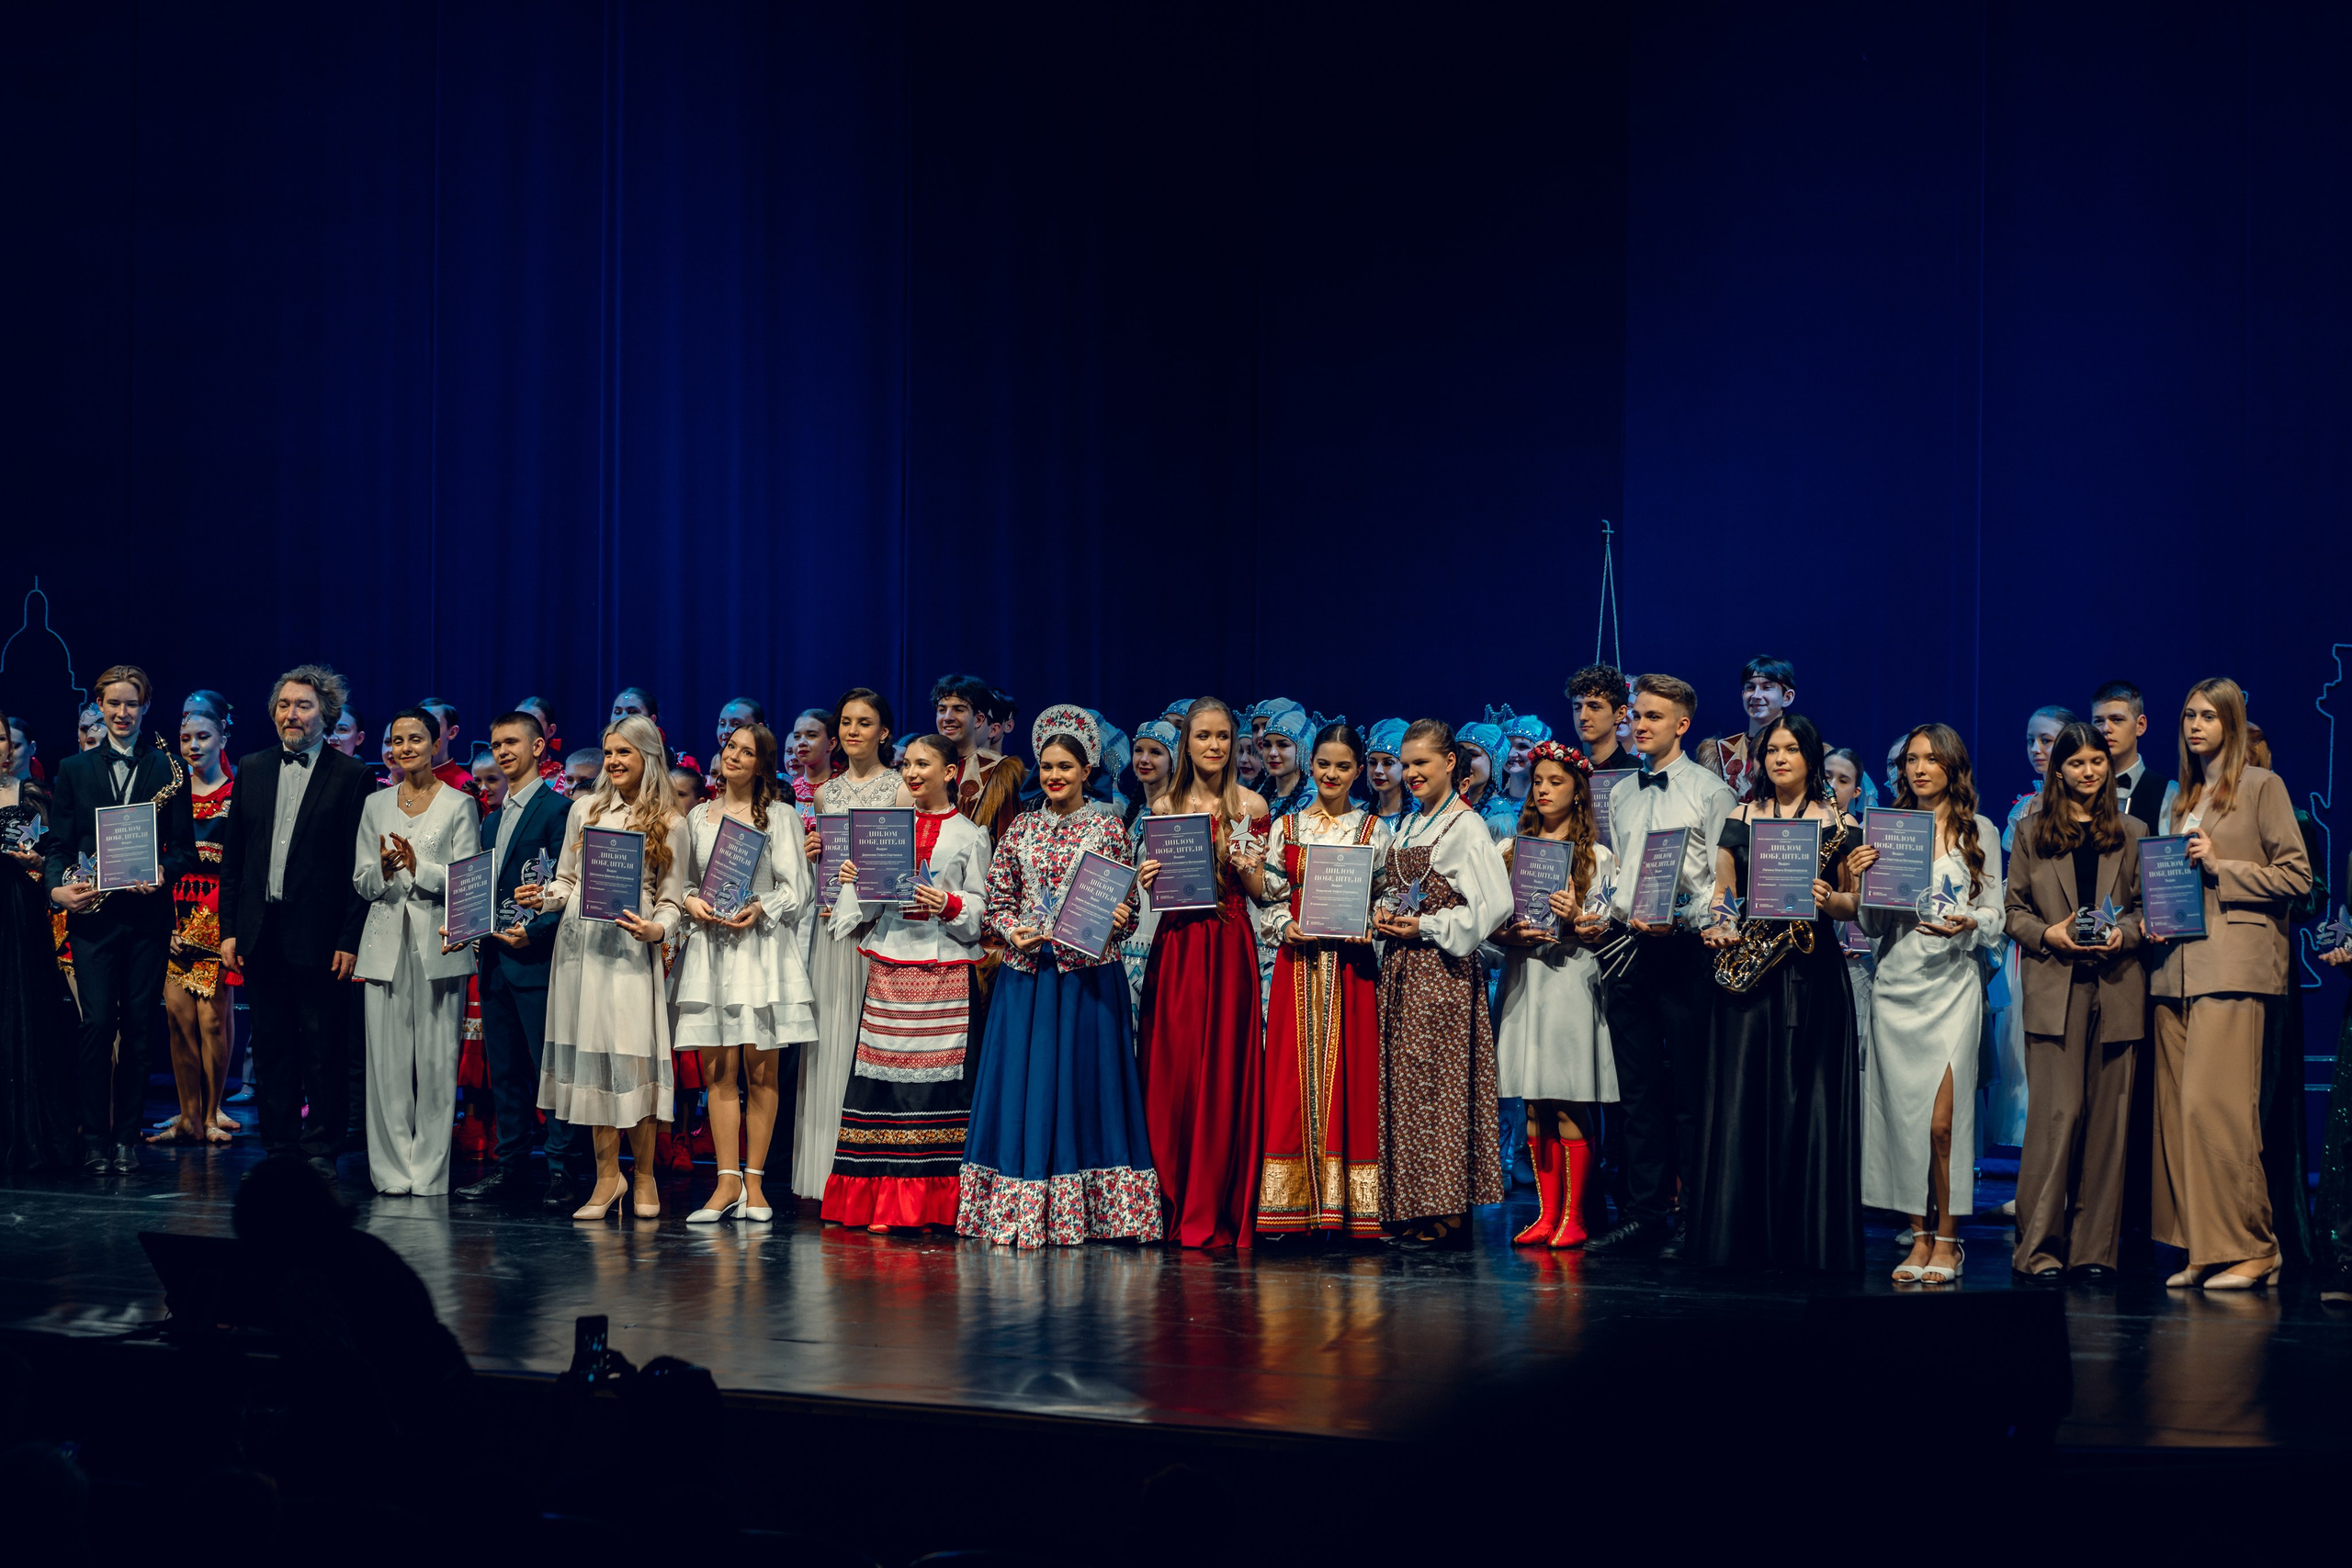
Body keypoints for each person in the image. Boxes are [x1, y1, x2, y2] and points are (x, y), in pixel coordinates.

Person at [961, 714, 1159, 1247]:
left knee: (1082, 1087)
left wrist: (1120, 918)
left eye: (1065, 767)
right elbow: (997, 901)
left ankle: (1096, 1212)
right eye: (1047, 767)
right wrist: (1010, 930)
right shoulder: (1021, 827)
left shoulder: (1108, 826)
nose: (1053, 775)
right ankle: (1019, 1208)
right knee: (1027, 1087)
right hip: (1028, 978)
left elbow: (1126, 909)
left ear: (1086, 769)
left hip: (1086, 980)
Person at [2146, 678, 2308, 1290]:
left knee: (2220, 1112)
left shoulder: (2264, 787)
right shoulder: (2178, 795)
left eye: (2208, 716)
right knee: (2181, 1117)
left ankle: (2255, 1245)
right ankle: (2203, 1246)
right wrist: (2155, 918)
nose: (2194, 725)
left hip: (2233, 964)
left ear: (2232, 723)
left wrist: (2222, 866)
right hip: (2174, 971)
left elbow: (2296, 875)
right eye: (2188, 714)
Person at [1690, 714, 1863, 1270]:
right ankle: (1739, 1238)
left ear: (1812, 757)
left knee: (1808, 1099)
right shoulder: (1741, 815)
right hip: (1749, 974)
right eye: (1771, 751)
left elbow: (1853, 905)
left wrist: (1827, 898)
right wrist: (1719, 921)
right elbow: (1723, 892)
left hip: (1813, 974)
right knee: (1745, 1096)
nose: (1780, 758)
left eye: (1791, 749)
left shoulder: (1841, 821)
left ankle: (1805, 1239)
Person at [1586, 674, 1736, 1258]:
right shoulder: (1621, 793)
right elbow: (1621, 875)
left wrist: (1683, 914)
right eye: (1637, 716)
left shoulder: (1710, 791)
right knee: (1638, 1090)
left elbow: (1721, 888)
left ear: (1682, 724)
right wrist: (1612, 910)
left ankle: (1697, 1212)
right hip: (1631, 947)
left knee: (1690, 1091)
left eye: (1651, 716)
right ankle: (1646, 1214)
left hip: (1687, 950)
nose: (1638, 725)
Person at [518, 715, 688, 1221]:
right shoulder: (585, 810)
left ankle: (644, 1176)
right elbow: (568, 881)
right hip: (581, 950)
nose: (613, 762)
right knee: (594, 1063)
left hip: (631, 954)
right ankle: (606, 1177)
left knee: (631, 1061)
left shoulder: (671, 822)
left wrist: (658, 931)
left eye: (624, 754)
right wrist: (544, 897)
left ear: (648, 758)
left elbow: (673, 900)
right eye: (609, 752)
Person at [821, 730, 992, 1230]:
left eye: (923, 764)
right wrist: (856, 880)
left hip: (942, 970)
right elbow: (868, 907)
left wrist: (952, 904)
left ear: (949, 773)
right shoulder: (885, 828)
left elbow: (982, 905)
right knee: (883, 1083)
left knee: (937, 1092)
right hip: (893, 964)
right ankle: (879, 1199)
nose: (913, 773)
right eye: (907, 765)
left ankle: (931, 1205)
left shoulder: (968, 834)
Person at [1852, 724, 2003, 1285]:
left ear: (1951, 767)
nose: (1919, 769)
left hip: (1952, 984)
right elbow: (1870, 923)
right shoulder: (1887, 829)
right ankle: (1918, 1237)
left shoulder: (1978, 829)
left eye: (1931, 759)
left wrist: (1972, 921)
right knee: (1903, 1122)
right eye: (1912, 759)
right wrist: (1860, 877)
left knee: (1943, 1123)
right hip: (1895, 984)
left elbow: (1997, 916)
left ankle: (1949, 1239)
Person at [2002, 722, 2147, 1280]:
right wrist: (2049, 935)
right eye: (2076, 762)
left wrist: (2125, 934)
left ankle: (2093, 1252)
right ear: (2056, 770)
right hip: (2055, 985)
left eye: (2097, 761)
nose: (2089, 771)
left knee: (2108, 1125)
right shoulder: (2032, 831)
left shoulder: (2132, 832)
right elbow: (2014, 911)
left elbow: (2145, 909)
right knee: (2056, 1118)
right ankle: (2037, 1249)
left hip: (2117, 987)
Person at [216, 664, 371, 1179]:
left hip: (321, 936)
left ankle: (321, 1148)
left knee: (323, 1046)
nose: (291, 714)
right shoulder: (254, 766)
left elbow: (359, 866)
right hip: (261, 930)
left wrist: (350, 938)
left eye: (303, 706)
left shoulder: (352, 775)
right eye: (284, 705)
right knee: (273, 1046)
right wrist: (230, 929)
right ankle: (280, 1146)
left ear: (325, 715)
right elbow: (235, 857)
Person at [1368, 719, 1512, 1248]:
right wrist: (1387, 914)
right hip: (1405, 969)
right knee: (1407, 1090)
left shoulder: (1466, 826)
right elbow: (1406, 890)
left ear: (1450, 762)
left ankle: (1446, 1211)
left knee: (1439, 1091)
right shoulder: (1412, 823)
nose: (1409, 774)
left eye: (1421, 764)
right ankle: (1410, 1204)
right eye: (1405, 766)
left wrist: (1429, 925)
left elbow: (1495, 906)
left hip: (1443, 973)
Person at [44, 664, 189, 1174]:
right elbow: (58, 845)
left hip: (147, 916)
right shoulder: (73, 769)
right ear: (99, 707)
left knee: (140, 1030)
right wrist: (59, 888)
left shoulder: (169, 770)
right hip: (92, 917)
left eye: (132, 704)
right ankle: (94, 1137)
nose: (122, 713)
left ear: (146, 707)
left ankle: (127, 1137)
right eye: (113, 704)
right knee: (98, 1023)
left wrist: (161, 874)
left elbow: (184, 851)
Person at [1249, 721, 1391, 1239]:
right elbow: (1269, 896)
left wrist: (1370, 927)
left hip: (1350, 972)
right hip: (1297, 968)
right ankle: (1291, 1209)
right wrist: (1285, 924)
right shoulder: (1287, 828)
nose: (1332, 774)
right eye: (1324, 764)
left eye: (1344, 766)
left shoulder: (1375, 830)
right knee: (1290, 1077)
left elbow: (1385, 900)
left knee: (1349, 1079)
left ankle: (1346, 1209)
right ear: (1312, 765)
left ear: (1359, 771)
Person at [1136, 696, 1269, 1248]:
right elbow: (1159, 898)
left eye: (1222, 736)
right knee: (1175, 1068)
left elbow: (1262, 894)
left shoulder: (1254, 806)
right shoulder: (1165, 806)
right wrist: (1148, 880)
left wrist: (1245, 866)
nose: (1213, 746)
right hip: (1180, 946)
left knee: (1223, 1069)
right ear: (1185, 744)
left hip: (1229, 943)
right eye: (1202, 736)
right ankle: (1168, 1197)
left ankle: (1217, 1199)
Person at [674, 722, 814, 1224]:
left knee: (762, 1071)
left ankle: (755, 1185)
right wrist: (692, 901)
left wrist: (761, 906)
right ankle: (724, 1182)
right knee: (718, 1072)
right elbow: (684, 881)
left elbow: (797, 889)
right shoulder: (697, 817)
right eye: (730, 747)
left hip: (759, 951)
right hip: (711, 948)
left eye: (746, 751)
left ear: (762, 763)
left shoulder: (779, 816)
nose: (733, 756)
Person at [1492, 739, 1615, 1249]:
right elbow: (1491, 925)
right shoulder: (1511, 851)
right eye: (1538, 781)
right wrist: (1508, 932)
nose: (1542, 789)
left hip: (1569, 981)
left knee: (1568, 1098)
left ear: (1579, 793)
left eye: (1555, 782)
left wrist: (1576, 918)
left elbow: (1605, 926)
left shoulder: (1598, 857)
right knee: (1535, 1102)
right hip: (1526, 977)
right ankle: (1546, 1214)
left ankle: (1576, 1216)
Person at [352, 707, 480, 1196]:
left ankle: (428, 1173)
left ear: (436, 743)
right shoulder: (375, 804)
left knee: (436, 1062)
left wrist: (417, 865)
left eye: (416, 739)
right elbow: (361, 881)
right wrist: (384, 870)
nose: (406, 748)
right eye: (398, 741)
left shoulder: (458, 804)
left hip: (438, 944)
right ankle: (389, 1170)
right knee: (385, 1066)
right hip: (384, 941)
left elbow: (467, 883)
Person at [455, 710, 577, 1206]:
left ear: (537, 749)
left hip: (537, 958)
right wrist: (463, 926)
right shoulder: (490, 819)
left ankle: (563, 1171)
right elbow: (482, 889)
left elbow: (567, 884)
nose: (503, 752)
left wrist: (537, 930)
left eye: (511, 743)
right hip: (494, 959)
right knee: (504, 1070)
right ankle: (511, 1168)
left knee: (550, 1067)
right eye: (496, 744)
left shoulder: (558, 810)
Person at [795, 689, 912, 1201]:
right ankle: (825, 1173)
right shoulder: (826, 794)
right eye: (845, 722)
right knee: (829, 1044)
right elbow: (818, 875)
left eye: (864, 723)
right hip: (831, 931)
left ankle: (868, 1174)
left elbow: (905, 872)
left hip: (876, 931)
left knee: (869, 1046)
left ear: (884, 732)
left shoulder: (899, 789)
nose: (852, 731)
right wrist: (813, 854)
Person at [154, 703, 239, 1147]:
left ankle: (211, 1112)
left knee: (212, 1022)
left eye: (203, 737)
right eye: (186, 738)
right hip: (174, 912)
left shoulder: (238, 791)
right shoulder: (170, 794)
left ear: (222, 737)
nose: (193, 746)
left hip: (219, 914)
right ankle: (187, 1116)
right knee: (177, 1020)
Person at [0, 707, 76, 1170]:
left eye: (3, 738)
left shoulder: (28, 794)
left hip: (14, 912)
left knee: (20, 1012)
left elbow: (53, 854)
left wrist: (35, 863)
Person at [935, 673, 1027, 843]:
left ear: (978, 719)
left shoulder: (1000, 771)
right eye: (942, 710)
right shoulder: (924, 766)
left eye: (958, 709)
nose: (947, 717)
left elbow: (1007, 843)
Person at [1696, 656, 1797, 798]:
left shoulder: (1805, 749)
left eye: (1766, 687)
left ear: (1787, 697)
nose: (1756, 695)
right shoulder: (1719, 753)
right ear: (1743, 695)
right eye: (1750, 688)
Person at [2090, 681, 2167, 834]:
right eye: (2099, 721)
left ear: (2140, 725)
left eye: (2117, 719)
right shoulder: (2079, 788)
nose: (2106, 729)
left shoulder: (2168, 792)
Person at [1451, 716, 1515, 840]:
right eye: (1459, 754)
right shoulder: (1456, 803)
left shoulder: (1501, 819)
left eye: (1473, 755)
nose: (1462, 762)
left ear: (1495, 762)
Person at [1256, 706, 1316, 821]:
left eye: (1282, 745)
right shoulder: (1261, 797)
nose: (1272, 753)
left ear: (1303, 751)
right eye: (1267, 745)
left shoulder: (1314, 802)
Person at [1363, 719, 1417, 834]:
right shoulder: (1359, 816)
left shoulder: (1419, 817)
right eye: (1372, 762)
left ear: (1404, 767)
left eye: (1388, 763)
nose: (1378, 771)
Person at [1496, 708, 1553, 814]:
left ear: (1540, 751)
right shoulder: (1492, 805)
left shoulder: (1547, 806)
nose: (1511, 754)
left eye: (1522, 747)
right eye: (1507, 746)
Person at [786, 708, 836, 814]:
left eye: (812, 735)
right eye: (797, 737)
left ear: (831, 743)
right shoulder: (791, 791)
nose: (801, 742)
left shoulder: (842, 787)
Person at [417, 698, 469, 794]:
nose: (422, 731)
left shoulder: (465, 785)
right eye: (418, 725)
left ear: (452, 732)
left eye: (432, 724)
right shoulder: (402, 776)